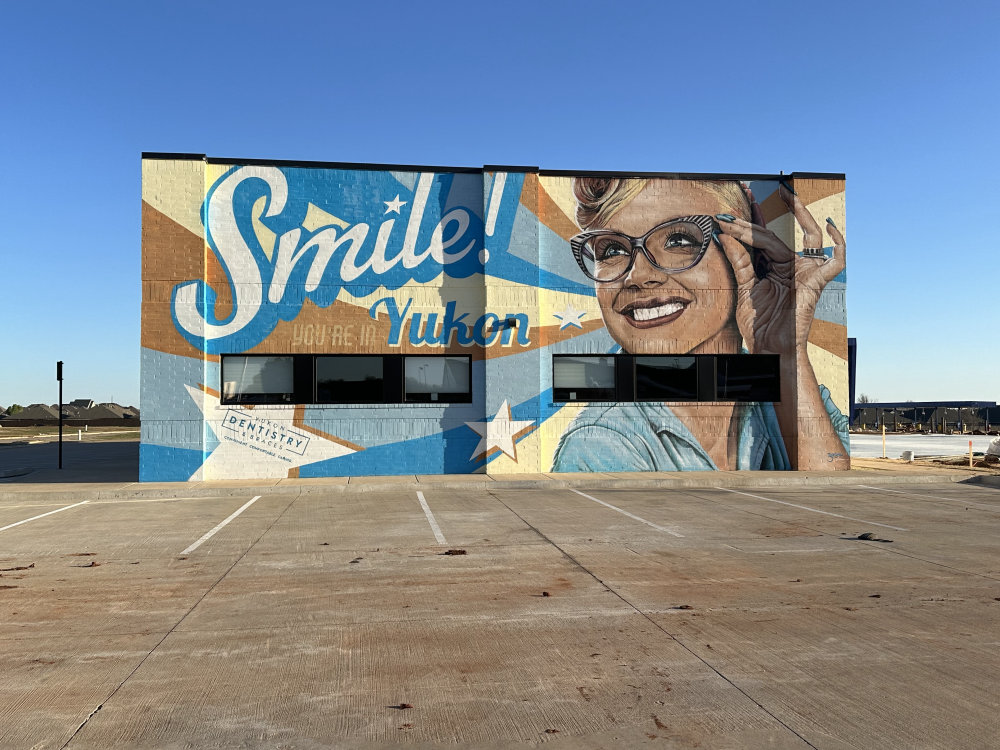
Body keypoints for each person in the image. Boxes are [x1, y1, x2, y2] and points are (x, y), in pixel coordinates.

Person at [551, 177, 849, 472]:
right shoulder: (597, 444)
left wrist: (785, 354)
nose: (637, 276)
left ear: (749, 258)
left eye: (679, 240)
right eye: (612, 250)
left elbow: (831, 500)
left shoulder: (805, 395)